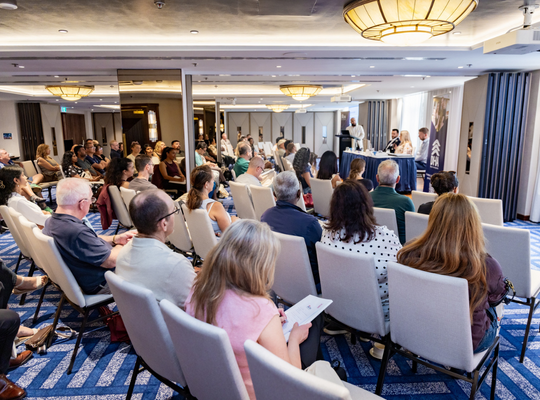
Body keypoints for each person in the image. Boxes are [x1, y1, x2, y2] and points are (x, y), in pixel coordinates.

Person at [186, 220, 327, 399]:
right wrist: (294, 338)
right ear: (260, 266)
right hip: (258, 393)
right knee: (313, 325)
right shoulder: (260, 309)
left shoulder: (197, 288)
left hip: (213, 383)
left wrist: (268, 325)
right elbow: (289, 377)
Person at [397, 193, 507, 353]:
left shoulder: (409, 253)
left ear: (433, 220)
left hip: (420, 328)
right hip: (467, 342)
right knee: (494, 305)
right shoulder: (486, 265)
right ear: (473, 225)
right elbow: (497, 296)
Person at [322, 180, 401, 322]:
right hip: (378, 312)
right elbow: (402, 273)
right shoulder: (384, 237)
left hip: (339, 305)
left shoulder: (327, 233)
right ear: (366, 205)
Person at [42, 178, 135, 294]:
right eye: (91, 199)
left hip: (86, 276)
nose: (91, 202)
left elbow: (91, 239)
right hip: (103, 281)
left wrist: (115, 238)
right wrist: (123, 244)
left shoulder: (52, 221)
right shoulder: (76, 231)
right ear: (82, 204)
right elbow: (112, 261)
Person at [116, 190, 195, 308]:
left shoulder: (123, 251)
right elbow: (199, 308)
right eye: (174, 211)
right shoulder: (177, 264)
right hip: (169, 320)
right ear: (164, 224)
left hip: (137, 316)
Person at [261, 171, 322, 285]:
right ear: (299, 194)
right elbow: (323, 257)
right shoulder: (310, 224)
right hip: (309, 284)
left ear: (274, 194)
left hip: (276, 280)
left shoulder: (265, 217)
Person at [370, 160, 414, 244]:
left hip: (370, 244)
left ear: (377, 178)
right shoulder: (406, 202)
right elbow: (412, 231)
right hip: (399, 248)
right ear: (398, 179)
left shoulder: (364, 199)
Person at [185, 166, 237, 235]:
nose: (213, 182)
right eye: (213, 180)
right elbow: (229, 234)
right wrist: (234, 220)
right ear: (206, 184)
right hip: (221, 240)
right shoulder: (215, 206)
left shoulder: (189, 203)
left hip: (204, 240)